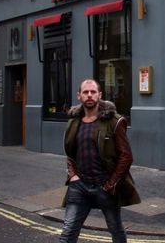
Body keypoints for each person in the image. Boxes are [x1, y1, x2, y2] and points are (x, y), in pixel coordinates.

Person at [60, 79, 141, 243]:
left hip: (104, 185)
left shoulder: (113, 121)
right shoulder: (73, 122)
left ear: (100, 95)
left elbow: (126, 156)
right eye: (85, 92)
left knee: (115, 229)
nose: (89, 95)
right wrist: (72, 174)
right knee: (68, 232)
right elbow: (70, 152)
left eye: (93, 92)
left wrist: (111, 185)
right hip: (79, 186)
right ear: (79, 96)